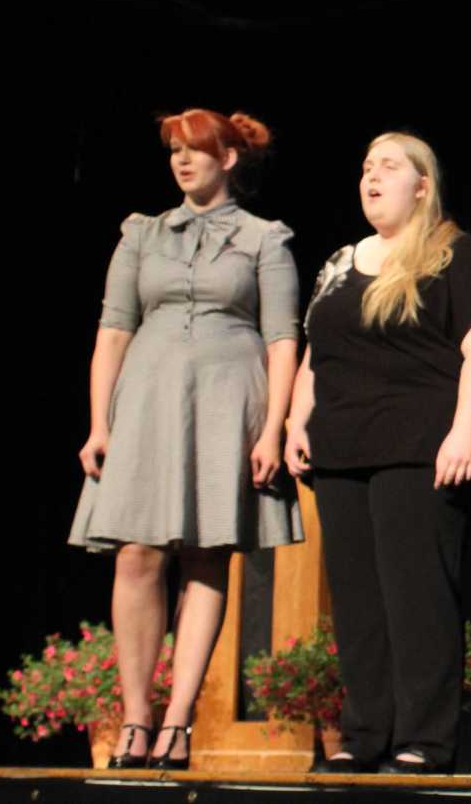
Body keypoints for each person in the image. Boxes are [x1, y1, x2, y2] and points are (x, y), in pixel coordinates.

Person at [69, 109, 302, 770]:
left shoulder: (264, 238)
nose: (181, 159)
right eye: (174, 148)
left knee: (206, 553)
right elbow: (114, 330)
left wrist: (274, 428)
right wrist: (99, 422)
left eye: (194, 149)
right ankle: (136, 718)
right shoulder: (141, 234)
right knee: (136, 554)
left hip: (228, 403)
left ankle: (178, 721)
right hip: (147, 401)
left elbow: (283, 339)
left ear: (228, 158)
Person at [285, 132, 471, 775]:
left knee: (417, 595)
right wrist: (295, 422)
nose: (372, 177)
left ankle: (425, 738)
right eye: (366, 167)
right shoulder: (340, 262)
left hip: (417, 447)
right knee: (357, 601)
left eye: (389, 167)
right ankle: (363, 731)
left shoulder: (454, 254)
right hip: (340, 451)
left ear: (422, 186)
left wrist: (464, 429)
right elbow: (316, 352)